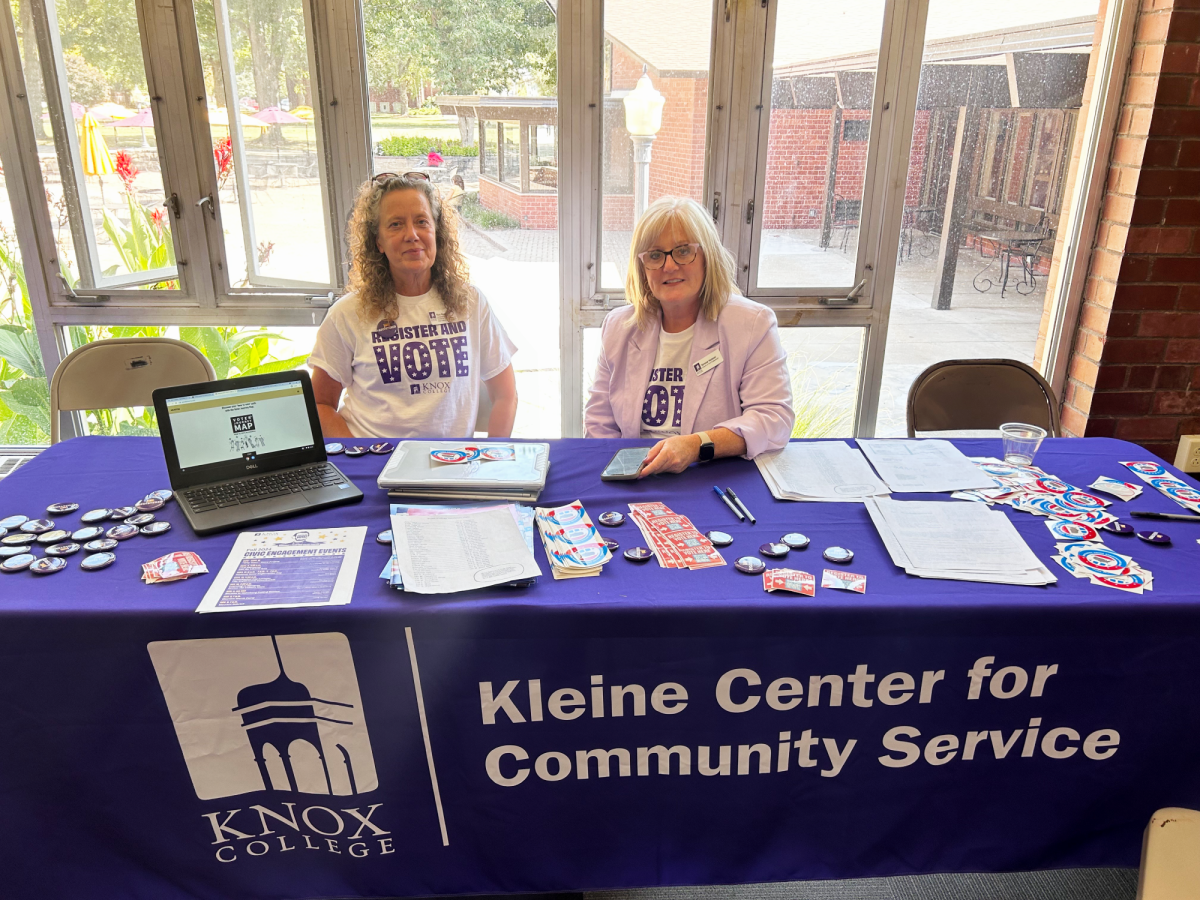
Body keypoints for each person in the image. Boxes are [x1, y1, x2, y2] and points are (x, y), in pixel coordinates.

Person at [584, 196, 793, 475]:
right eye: (655, 255)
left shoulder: (752, 324)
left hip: (710, 475)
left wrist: (697, 445)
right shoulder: (619, 327)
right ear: (643, 268)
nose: (669, 266)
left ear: (708, 256)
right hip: (636, 475)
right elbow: (599, 424)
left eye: (683, 251)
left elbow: (773, 419)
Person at [309, 172, 518, 439]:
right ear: (378, 242)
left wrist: (490, 460)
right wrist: (362, 459)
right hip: (377, 468)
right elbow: (320, 404)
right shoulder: (347, 314)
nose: (412, 235)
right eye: (395, 225)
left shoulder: (472, 303)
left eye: (422, 222)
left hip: (454, 467)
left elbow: (506, 395)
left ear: (436, 232)